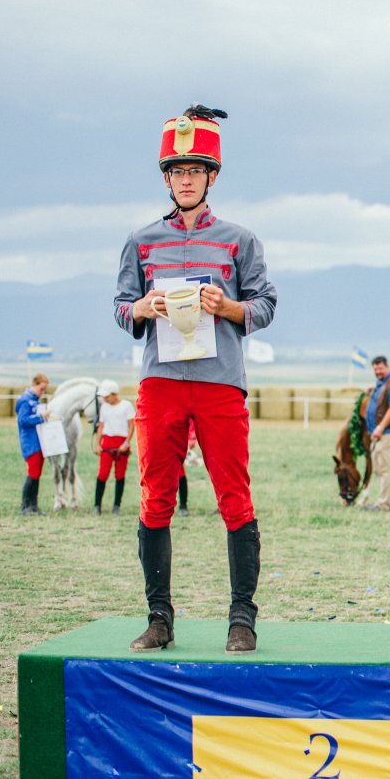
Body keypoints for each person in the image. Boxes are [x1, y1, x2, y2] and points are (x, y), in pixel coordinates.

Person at [114, 104, 277, 655]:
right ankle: (159, 619)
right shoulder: (141, 242)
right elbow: (119, 308)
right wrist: (141, 307)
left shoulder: (240, 240)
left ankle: (242, 619)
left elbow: (266, 304)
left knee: (235, 496)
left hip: (220, 382)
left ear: (212, 177)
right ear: (166, 177)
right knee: (155, 496)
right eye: (177, 171)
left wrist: (229, 308)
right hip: (160, 383)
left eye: (196, 170)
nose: (185, 179)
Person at [365, 355, 390, 510]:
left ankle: (383, 504)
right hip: (379, 433)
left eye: (380, 368)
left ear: (387, 367)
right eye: (375, 369)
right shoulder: (381, 384)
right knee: (381, 467)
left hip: (387, 432)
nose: (378, 371)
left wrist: (380, 427)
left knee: (385, 469)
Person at [93, 379, 135, 515]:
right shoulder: (104, 407)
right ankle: (97, 505)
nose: (105, 399)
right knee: (103, 473)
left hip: (121, 442)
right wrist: (98, 443)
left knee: (120, 474)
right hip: (107, 442)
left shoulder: (126, 406)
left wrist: (126, 443)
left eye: (107, 396)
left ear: (114, 393)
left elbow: (131, 426)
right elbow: (101, 426)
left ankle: (117, 505)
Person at [16, 373, 50, 515]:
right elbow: (23, 421)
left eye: (45, 390)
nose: (43, 393)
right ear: (34, 384)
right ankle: (25, 506)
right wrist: (41, 417)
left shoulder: (35, 400)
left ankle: (34, 506)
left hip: (39, 441)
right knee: (32, 473)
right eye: (41, 389)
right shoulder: (25, 400)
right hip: (30, 443)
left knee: (37, 474)